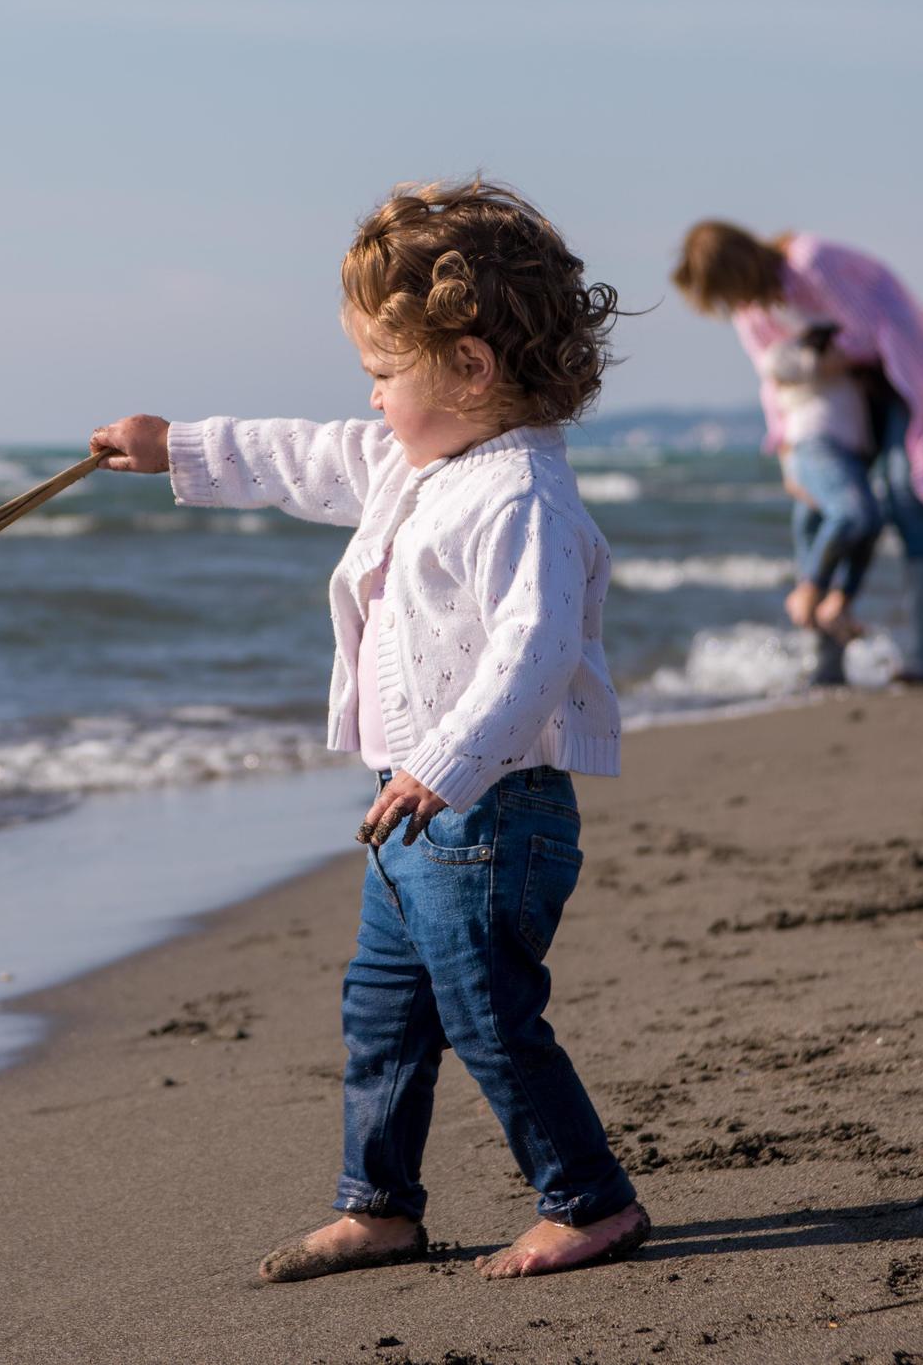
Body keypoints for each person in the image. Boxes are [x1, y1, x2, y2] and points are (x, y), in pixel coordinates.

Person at [91, 179, 648, 1285]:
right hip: (411, 813)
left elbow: (532, 655)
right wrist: (178, 447)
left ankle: (590, 1199)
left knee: (488, 1014)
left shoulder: (519, 495)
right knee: (383, 1014)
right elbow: (307, 455)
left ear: (473, 367)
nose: (375, 400)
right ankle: (380, 1205)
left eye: (385, 375)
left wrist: (444, 769)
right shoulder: (419, 461)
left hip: (491, 812)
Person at [671, 223, 923, 686]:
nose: (730, 305)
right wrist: (786, 453)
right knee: (818, 508)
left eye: (725, 291)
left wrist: (818, 359)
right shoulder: (750, 313)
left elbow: (872, 332)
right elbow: (772, 384)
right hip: (840, 408)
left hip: (901, 374)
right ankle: (826, 661)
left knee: (902, 495)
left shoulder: (810, 261)